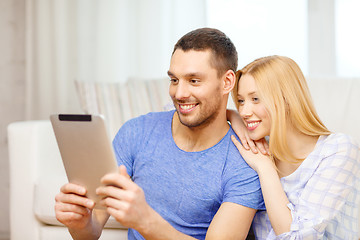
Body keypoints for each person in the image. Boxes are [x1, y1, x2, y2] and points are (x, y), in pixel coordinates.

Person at [54, 28, 265, 240]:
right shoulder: (137, 132)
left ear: (227, 82)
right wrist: (80, 224)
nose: (179, 94)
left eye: (194, 81)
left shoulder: (245, 159)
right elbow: (90, 231)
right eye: (174, 80)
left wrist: (145, 221)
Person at [229, 55, 360, 239]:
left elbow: (296, 237)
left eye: (256, 99)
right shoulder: (256, 149)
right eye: (241, 101)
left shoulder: (339, 150)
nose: (244, 111)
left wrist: (265, 168)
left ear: (287, 99)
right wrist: (230, 115)